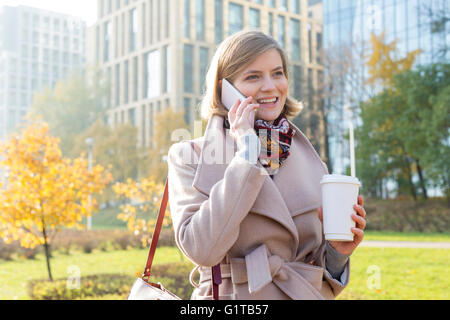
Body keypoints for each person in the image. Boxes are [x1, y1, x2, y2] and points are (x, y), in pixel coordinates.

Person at [167, 30, 367, 300]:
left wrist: (337, 253)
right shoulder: (190, 156)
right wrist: (246, 155)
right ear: (224, 89)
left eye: (277, 73)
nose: (271, 86)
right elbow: (202, 250)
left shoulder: (311, 161)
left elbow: (316, 264)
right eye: (253, 76)